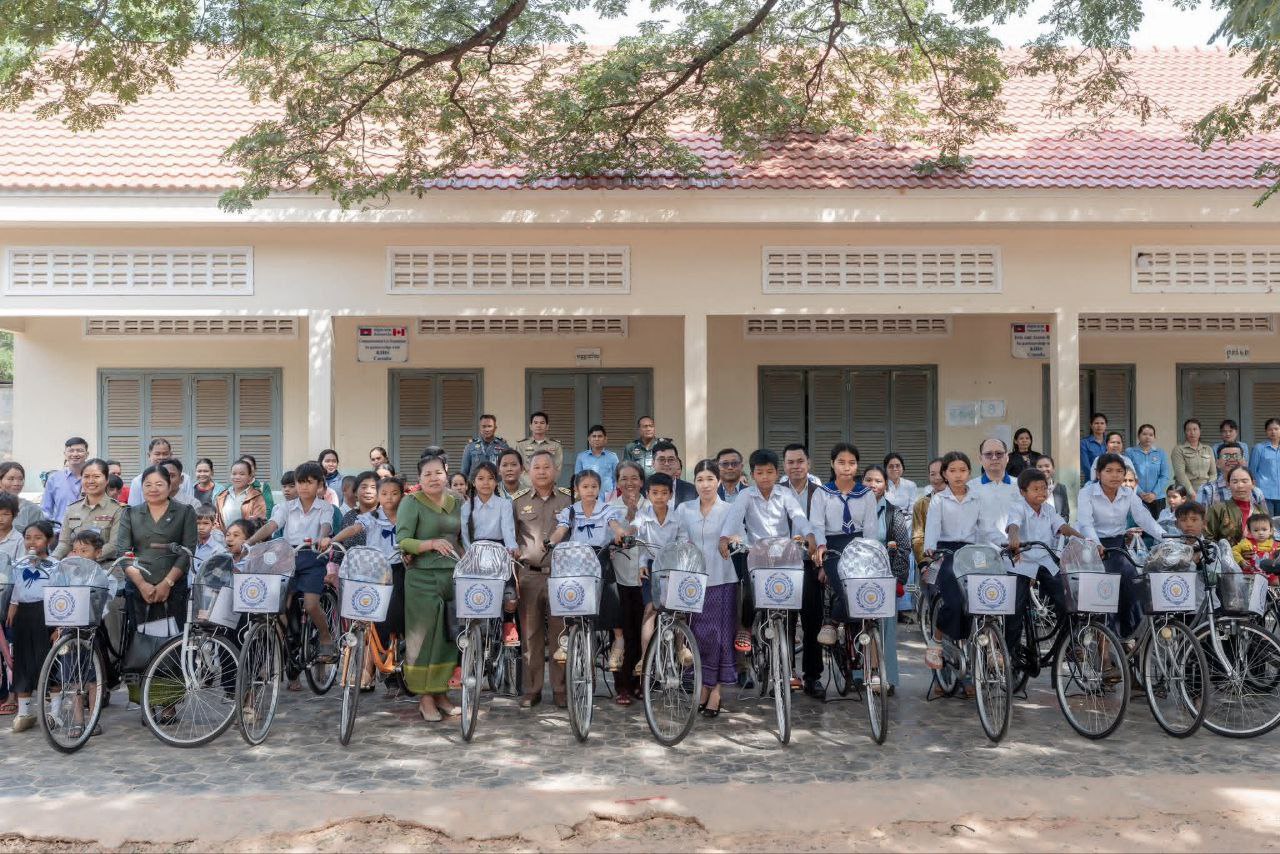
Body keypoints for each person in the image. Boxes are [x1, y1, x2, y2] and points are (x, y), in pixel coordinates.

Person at [116, 465, 198, 707]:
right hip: (138, 588)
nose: (153, 489)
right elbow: (124, 553)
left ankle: (170, 703)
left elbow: (187, 551)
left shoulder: (184, 512)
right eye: (148, 485)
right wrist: (141, 583)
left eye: (159, 484)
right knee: (141, 644)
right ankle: (146, 702)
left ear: (170, 485)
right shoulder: (131, 513)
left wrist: (167, 583)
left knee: (171, 644)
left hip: (173, 588)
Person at [720, 449, 816, 654]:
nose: (765, 477)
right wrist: (724, 537)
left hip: (783, 554)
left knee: (789, 597)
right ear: (752, 474)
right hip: (755, 552)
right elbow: (734, 518)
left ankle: (788, 658)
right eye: (760, 472)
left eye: (769, 472)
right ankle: (746, 628)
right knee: (749, 592)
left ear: (777, 473)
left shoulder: (785, 494)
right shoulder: (746, 495)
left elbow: (798, 516)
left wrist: (809, 534)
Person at [246, 461, 337, 662]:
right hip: (288, 558)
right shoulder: (285, 507)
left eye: (309, 482)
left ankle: (325, 636)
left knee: (311, 605)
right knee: (278, 606)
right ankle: (286, 645)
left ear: (319, 484)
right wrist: (250, 542)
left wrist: (323, 538)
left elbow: (326, 525)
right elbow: (272, 525)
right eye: (300, 482)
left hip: (313, 557)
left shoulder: (325, 507)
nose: (304, 487)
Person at [395, 455, 462, 721]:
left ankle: (440, 692)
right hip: (421, 578)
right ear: (420, 479)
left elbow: (460, 538)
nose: (434, 478)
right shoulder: (411, 503)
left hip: (452, 577)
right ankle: (425, 698)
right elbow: (403, 540)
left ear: (447, 473)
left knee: (447, 636)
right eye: (427, 474)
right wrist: (430, 544)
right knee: (422, 639)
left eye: (438, 473)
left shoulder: (457, 502)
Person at [1077, 453, 1165, 637]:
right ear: (1098, 473)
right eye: (1109, 471)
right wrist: (1096, 544)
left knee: (1133, 586)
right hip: (1094, 548)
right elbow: (1085, 524)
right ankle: (1101, 639)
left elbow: (1144, 518)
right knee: (1104, 594)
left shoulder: (1128, 493)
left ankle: (1129, 637)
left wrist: (1167, 538)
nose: (1115, 475)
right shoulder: (1087, 493)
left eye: (1119, 471)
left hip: (1118, 546)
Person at [333, 474, 407, 691]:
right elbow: (355, 529)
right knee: (371, 615)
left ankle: (394, 654)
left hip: (398, 568)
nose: (389, 498)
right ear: (378, 496)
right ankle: (370, 665)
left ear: (402, 495)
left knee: (394, 614)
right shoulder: (371, 517)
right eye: (384, 493)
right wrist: (333, 539)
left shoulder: (407, 516)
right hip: (374, 572)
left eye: (394, 493)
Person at [675, 460, 737, 717]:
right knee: (698, 636)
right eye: (700, 479)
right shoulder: (684, 509)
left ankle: (716, 692)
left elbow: (739, 537)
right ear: (695, 483)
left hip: (722, 579)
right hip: (693, 583)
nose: (705, 484)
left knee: (720, 638)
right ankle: (702, 686)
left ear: (718, 481)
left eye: (710, 479)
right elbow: (679, 539)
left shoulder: (730, 510)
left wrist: (733, 539)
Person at [512, 450, 572, 708]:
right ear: (528, 472)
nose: (542, 471)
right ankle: (532, 689)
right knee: (530, 636)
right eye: (537, 467)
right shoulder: (517, 501)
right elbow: (512, 538)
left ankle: (560, 690)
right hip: (530, 576)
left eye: (547, 467)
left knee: (562, 636)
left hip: (561, 577)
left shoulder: (569, 499)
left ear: (556, 470)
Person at [549, 469, 627, 665]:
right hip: (577, 558)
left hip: (600, 556)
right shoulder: (571, 511)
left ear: (599, 489)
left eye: (594, 486)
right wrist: (551, 541)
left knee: (610, 597)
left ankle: (618, 642)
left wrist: (620, 533)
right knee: (569, 593)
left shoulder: (606, 509)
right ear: (577, 489)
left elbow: (615, 525)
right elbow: (561, 530)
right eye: (585, 486)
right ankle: (567, 637)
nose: (590, 490)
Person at [923, 451, 988, 682]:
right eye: (952, 471)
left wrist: (994, 549)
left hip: (972, 551)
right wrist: (930, 547)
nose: (958, 475)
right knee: (954, 600)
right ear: (945, 474)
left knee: (985, 596)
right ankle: (937, 640)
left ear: (969, 473)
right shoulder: (939, 499)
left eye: (962, 470)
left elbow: (984, 529)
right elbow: (932, 526)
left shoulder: (977, 497)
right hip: (947, 550)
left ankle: (989, 645)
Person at [1004, 468, 1086, 653]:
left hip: (1045, 561)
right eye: (1036, 489)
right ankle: (1010, 652)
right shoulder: (1018, 507)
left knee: (1067, 601)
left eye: (1044, 488)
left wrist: (1084, 540)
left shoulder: (1048, 509)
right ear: (1023, 492)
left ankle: (1068, 645)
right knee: (1015, 609)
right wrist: (1014, 539)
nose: (1041, 492)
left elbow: (1062, 526)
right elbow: (1013, 525)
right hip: (1022, 563)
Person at [631, 473, 683, 699]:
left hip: (673, 566)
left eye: (664, 493)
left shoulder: (677, 517)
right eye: (655, 493)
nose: (660, 497)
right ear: (648, 494)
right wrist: (641, 564)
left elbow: (684, 540)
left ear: (670, 495)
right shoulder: (643, 515)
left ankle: (681, 648)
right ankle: (645, 660)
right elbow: (638, 537)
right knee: (650, 610)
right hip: (651, 566)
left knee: (678, 610)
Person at [779, 443, 824, 693]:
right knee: (784, 621)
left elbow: (825, 527)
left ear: (809, 464)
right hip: (782, 564)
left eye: (800, 461)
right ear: (784, 465)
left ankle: (812, 676)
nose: (795, 466)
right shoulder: (776, 492)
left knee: (812, 621)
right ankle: (785, 673)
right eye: (790, 462)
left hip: (810, 564)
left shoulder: (820, 493)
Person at [459, 462, 519, 646]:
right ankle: (470, 630)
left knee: (509, 594)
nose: (486, 483)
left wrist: (511, 549)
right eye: (481, 478)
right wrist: (470, 556)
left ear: (496, 482)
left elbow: (508, 530)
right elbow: (465, 536)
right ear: (473, 482)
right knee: (470, 594)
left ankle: (508, 623)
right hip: (474, 554)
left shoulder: (504, 504)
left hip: (499, 551)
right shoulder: (466, 507)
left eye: (490, 478)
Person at [859, 465, 906, 692]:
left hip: (886, 576)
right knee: (858, 624)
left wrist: (898, 579)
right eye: (868, 480)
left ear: (885, 485)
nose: (872, 485)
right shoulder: (854, 508)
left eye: (878, 481)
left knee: (886, 627)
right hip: (858, 574)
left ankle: (887, 677)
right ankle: (860, 673)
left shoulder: (894, 513)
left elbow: (903, 548)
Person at [7, 520, 57, 733]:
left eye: (38, 538)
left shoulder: (55, 565)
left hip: (47, 612)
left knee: (49, 660)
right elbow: (16, 588)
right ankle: (24, 711)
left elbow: (60, 593)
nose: (32, 542)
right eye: (28, 538)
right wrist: (13, 605)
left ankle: (55, 712)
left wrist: (58, 626)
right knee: (23, 660)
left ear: (49, 540)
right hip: (24, 613)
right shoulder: (19, 564)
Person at [607, 461, 649, 703]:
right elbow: (610, 538)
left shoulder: (653, 505)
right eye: (623, 478)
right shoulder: (610, 508)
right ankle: (622, 685)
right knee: (623, 634)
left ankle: (642, 682)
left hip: (645, 578)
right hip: (620, 578)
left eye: (634, 478)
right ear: (617, 483)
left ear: (642, 481)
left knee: (645, 633)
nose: (629, 482)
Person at [969, 438, 1020, 545]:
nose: (994, 458)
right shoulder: (970, 488)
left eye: (999, 454)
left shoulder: (1021, 486)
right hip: (983, 550)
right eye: (988, 454)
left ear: (1007, 457)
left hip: (1018, 549)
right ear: (980, 459)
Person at [1205, 466, 1270, 544]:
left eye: (1244, 481)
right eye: (1235, 482)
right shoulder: (1218, 510)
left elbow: (1270, 538)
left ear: (1253, 484)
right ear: (1228, 484)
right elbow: (1207, 539)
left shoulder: (1261, 512)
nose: (1240, 485)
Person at [127, 439, 195, 507]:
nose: (161, 457)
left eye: (165, 454)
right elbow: (134, 508)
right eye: (157, 454)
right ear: (149, 455)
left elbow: (190, 504)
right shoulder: (138, 481)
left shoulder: (184, 479)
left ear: (171, 455)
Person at [1197, 442, 1266, 507]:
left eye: (1236, 456)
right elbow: (1199, 515)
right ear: (1217, 463)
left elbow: (1264, 515)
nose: (1232, 460)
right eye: (1226, 456)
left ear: (1244, 462)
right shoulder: (1207, 490)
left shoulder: (1255, 492)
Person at [40, 436, 88, 528]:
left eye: (80, 450)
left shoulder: (94, 478)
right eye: (71, 451)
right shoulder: (54, 479)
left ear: (87, 454)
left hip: (88, 532)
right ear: (65, 454)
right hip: (60, 531)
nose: (75, 454)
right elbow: (45, 510)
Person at [1126, 424, 1172, 517]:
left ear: (1154, 437)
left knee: (1158, 524)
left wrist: (1154, 493)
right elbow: (1128, 475)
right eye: (1144, 434)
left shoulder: (1160, 453)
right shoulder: (1130, 452)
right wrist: (1140, 493)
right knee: (1137, 525)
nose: (1148, 437)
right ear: (1138, 436)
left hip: (1157, 498)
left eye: (1151, 435)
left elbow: (1165, 475)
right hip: (1136, 497)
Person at [214, 459, 267, 533]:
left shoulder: (256, 497)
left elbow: (259, 523)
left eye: (242, 474)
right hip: (224, 538)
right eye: (234, 474)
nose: (237, 477)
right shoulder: (222, 496)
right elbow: (216, 521)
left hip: (248, 538)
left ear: (250, 477)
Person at [911, 457, 945, 566]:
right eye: (932, 474)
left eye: (941, 473)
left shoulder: (961, 501)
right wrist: (924, 563)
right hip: (931, 561)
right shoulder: (921, 504)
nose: (937, 478)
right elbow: (918, 538)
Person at [516, 412, 564, 485]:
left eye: (542, 423)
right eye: (535, 423)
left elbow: (557, 468)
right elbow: (520, 468)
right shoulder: (521, 445)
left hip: (548, 486)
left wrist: (546, 484)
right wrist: (532, 484)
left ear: (547, 426)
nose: (538, 425)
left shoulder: (555, 445)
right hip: (527, 486)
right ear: (530, 426)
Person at [574, 424, 621, 498]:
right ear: (589, 439)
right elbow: (577, 478)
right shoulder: (581, 457)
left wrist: (613, 495)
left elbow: (617, 478)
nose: (597, 439)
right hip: (588, 496)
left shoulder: (612, 457)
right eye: (594, 436)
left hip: (608, 497)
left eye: (600, 436)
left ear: (605, 439)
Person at [1173, 418, 1215, 496]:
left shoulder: (1208, 449)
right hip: (1186, 490)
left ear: (1200, 431)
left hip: (1206, 490)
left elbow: (1213, 474)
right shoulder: (1179, 449)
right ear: (1185, 432)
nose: (1192, 432)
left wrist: (1209, 488)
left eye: (1195, 429)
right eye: (1188, 430)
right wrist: (1192, 493)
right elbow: (1180, 474)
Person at [0, 462, 46, 534]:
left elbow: (40, 536)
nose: (17, 483)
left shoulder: (32, 510)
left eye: (20, 479)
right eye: (11, 479)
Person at [460, 414, 510, 479]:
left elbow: (507, 469)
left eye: (489, 426)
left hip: (496, 483)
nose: (487, 429)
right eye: (484, 426)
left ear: (495, 428)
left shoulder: (503, 446)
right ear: (480, 428)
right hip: (475, 484)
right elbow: (464, 471)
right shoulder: (470, 446)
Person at [652, 441, 697, 505]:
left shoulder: (691, 490)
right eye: (661, 460)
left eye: (671, 459)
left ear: (677, 462)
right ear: (653, 463)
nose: (666, 464)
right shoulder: (643, 490)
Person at [1252, 418, 1280, 517]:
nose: (1273, 432)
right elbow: (1252, 470)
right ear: (1266, 431)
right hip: (1265, 494)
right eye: (1270, 429)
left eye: (1276, 429)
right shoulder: (1259, 448)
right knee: (1267, 521)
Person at [1035, 455, 1070, 521]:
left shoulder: (1060, 488)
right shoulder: (1029, 488)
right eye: (1040, 467)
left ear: (1053, 469)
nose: (1043, 469)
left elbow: (1065, 514)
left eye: (1047, 466)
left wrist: (1057, 526)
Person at [1080, 413, 1108, 481]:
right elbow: (1085, 466)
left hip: (1109, 480)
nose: (1099, 426)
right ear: (1091, 425)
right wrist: (1096, 478)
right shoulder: (1084, 443)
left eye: (1102, 423)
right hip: (1092, 480)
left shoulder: (1109, 442)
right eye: (1096, 423)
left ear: (1106, 426)